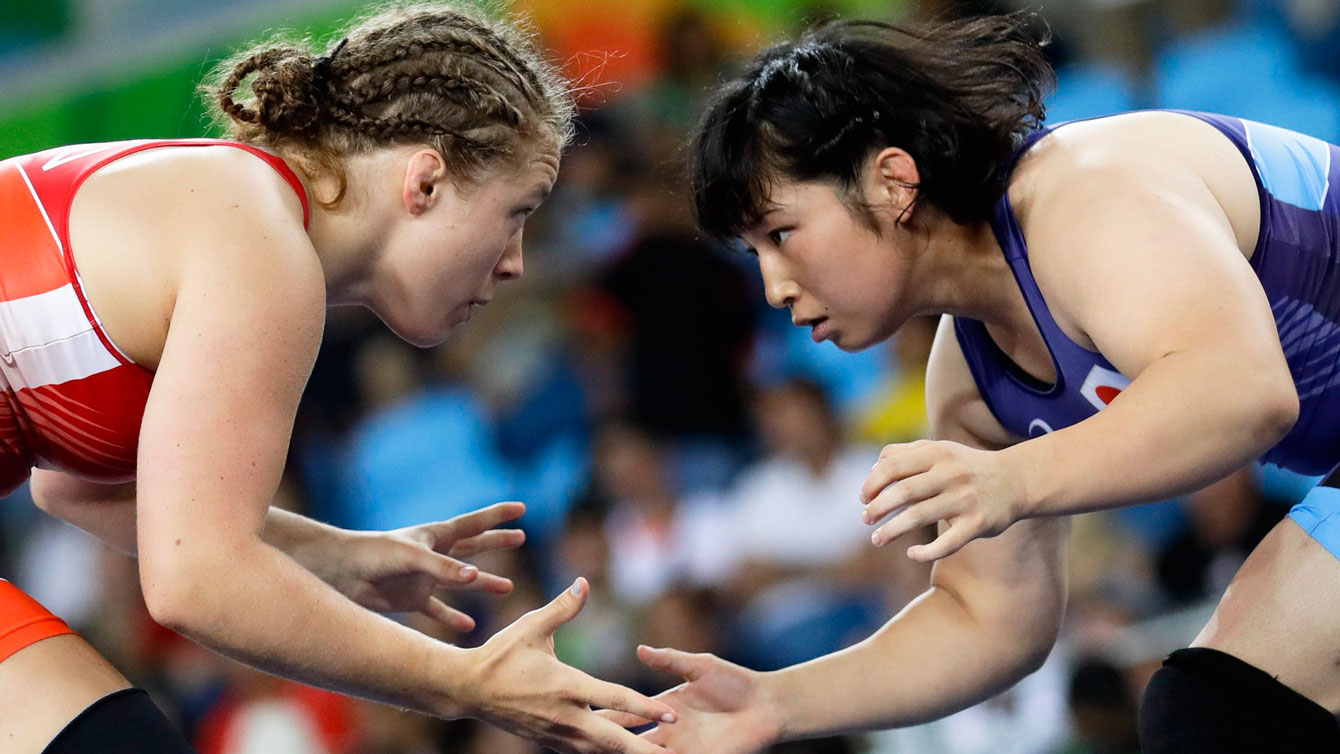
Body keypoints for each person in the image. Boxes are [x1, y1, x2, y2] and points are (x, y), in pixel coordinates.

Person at [597, 14, 1340, 754]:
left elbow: (1240, 390)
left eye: (781, 234)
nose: (773, 287)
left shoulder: (1087, 195)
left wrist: (1014, 478)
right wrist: (773, 700)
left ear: (892, 181)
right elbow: (988, 620)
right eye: (754, 252)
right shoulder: (971, 381)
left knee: (1221, 710)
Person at [0, 4, 677, 753]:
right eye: (516, 213)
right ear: (424, 182)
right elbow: (196, 581)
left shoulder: (232, 210)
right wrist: (469, 682)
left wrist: (332, 555)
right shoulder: (261, 244)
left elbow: (78, 487)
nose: (516, 260)